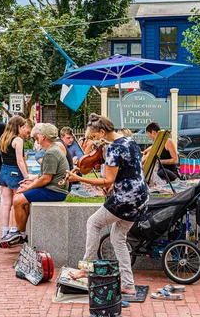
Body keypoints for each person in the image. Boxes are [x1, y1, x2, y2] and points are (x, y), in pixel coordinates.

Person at [65, 114, 149, 296]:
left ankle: (86, 269)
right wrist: (111, 184)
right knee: (118, 237)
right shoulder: (129, 141)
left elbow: (107, 179)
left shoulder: (113, 149)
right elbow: (129, 169)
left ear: (102, 131)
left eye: (95, 137)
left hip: (126, 198)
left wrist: (78, 178)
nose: (95, 141)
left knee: (93, 223)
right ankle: (128, 284)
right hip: (141, 197)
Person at [0, 123, 68, 248]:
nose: (37, 140)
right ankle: (21, 232)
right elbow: (45, 175)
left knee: (18, 199)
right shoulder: (52, 150)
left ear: (43, 137)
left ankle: (20, 233)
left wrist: (29, 187)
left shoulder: (51, 153)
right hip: (53, 188)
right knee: (22, 197)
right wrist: (31, 180)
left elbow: (46, 179)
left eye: (37, 137)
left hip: (55, 191)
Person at [0, 116, 33, 240]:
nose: (24, 129)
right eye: (23, 127)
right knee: (17, 203)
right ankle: (15, 230)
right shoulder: (18, 140)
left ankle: (4, 231)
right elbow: (19, 161)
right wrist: (27, 177)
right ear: (18, 126)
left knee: (6, 204)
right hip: (15, 172)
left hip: (3, 172)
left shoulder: (3, 138)